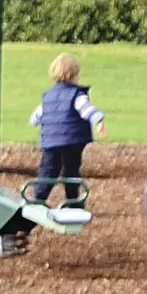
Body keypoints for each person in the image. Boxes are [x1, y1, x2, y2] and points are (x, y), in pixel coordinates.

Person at [26, 52, 105, 206]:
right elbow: (86, 109)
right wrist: (99, 119)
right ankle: (73, 201)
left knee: (48, 169)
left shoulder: (48, 96)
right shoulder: (76, 94)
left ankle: (38, 198)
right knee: (71, 171)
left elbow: (37, 116)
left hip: (50, 140)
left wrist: (34, 122)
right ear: (73, 75)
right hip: (72, 140)